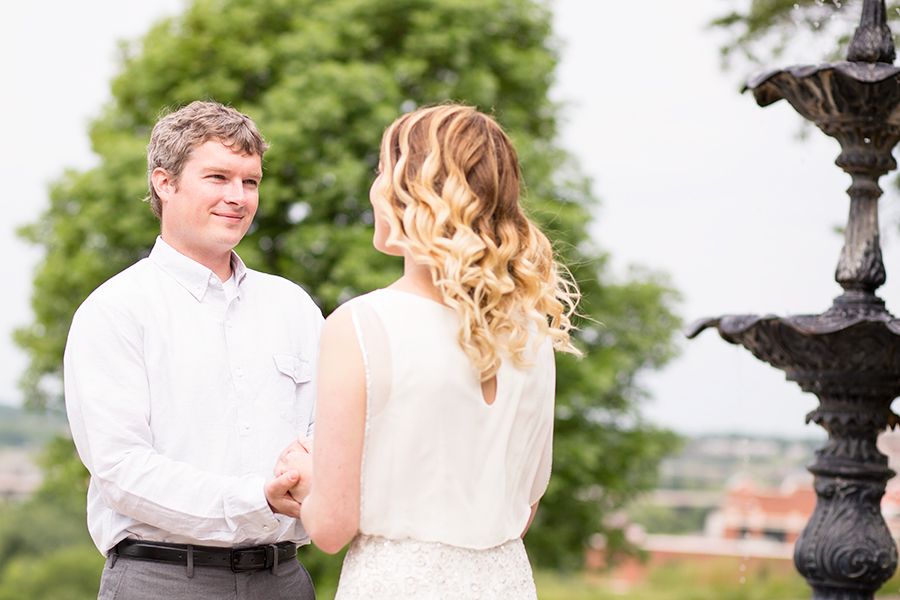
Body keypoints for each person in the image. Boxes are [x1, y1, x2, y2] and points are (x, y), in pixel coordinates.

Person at [278, 104, 581, 599]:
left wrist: (306, 480)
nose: (374, 188)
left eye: (382, 171)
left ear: (412, 192)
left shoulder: (360, 325)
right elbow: (523, 510)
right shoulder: (531, 330)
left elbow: (331, 529)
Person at [64, 101, 322, 600]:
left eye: (250, 181)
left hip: (285, 580)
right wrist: (256, 500)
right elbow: (122, 471)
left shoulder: (294, 307)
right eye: (218, 178)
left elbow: (324, 435)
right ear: (164, 183)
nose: (238, 197)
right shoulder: (115, 311)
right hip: (160, 580)